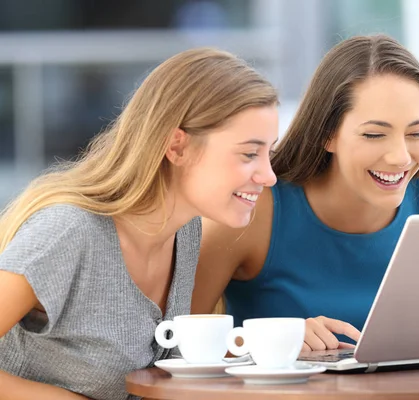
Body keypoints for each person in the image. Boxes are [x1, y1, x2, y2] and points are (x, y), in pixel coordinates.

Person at [0, 48, 278, 400]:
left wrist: (276, 347)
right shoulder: (68, 231)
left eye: (270, 153)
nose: (268, 176)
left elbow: (169, 367)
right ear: (177, 147)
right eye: (249, 154)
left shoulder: (185, 232)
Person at [191, 34, 419, 352]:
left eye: (416, 133)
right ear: (328, 135)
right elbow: (174, 345)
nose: (401, 157)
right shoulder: (253, 210)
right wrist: (273, 341)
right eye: (374, 134)